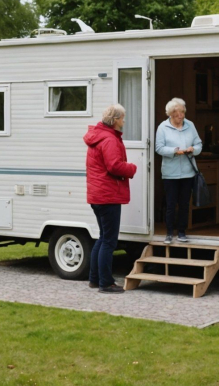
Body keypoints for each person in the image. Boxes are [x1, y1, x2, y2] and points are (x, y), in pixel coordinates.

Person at [83, 104, 138, 294]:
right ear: (115, 120)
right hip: (107, 196)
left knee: (103, 237)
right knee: (109, 241)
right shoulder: (109, 139)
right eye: (122, 118)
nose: (124, 121)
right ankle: (106, 283)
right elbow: (114, 166)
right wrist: (131, 168)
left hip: (98, 196)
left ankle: (94, 279)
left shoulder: (99, 136)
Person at [155, 97, 202, 244]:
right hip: (170, 173)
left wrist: (193, 149)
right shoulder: (163, 127)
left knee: (184, 204)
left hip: (188, 172)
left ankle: (182, 232)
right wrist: (175, 151)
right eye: (176, 114)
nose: (180, 116)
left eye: (182, 113)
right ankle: (169, 233)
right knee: (170, 204)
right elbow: (159, 148)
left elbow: (199, 144)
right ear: (170, 114)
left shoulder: (190, 125)